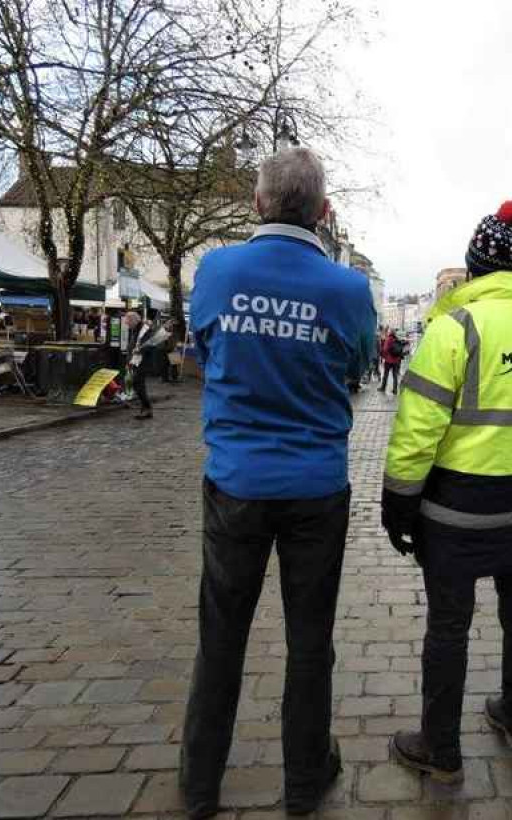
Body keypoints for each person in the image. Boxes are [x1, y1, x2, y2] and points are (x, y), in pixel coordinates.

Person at [182, 147, 376, 819]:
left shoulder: (214, 271)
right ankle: (303, 782)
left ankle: (200, 785)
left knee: (221, 637)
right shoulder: (348, 289)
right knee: (309, 639)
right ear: (323, 212)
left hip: (235, 480)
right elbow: (358, 363)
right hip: (315, 487)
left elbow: (203, 352)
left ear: (257, 204)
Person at [381, 201, 512, 782]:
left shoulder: (454, 330)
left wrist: (399, 499)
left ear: (474, 266)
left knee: (449, 622)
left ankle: (440, 749)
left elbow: (418, 428)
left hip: (454, 508)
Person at [125, 309, 155, 420]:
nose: (127, 325)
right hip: (136, 361)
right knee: (136, 384)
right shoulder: (136, 329)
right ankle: (146, 408)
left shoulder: (145, 329)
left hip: (143, 362)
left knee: (138, 383)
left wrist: (138, 350)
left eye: (128, 323)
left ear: (134, 320)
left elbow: (149, 345)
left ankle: (147, 409)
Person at [378, 328, 405, 394]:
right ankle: (395, 390)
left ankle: (383, 388)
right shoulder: (397, 339)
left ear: (390, 332)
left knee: (386, 374)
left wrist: (384, 356)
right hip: (396, 361)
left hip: (388, 360)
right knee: (395, 375)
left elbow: (385, 349)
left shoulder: (389, 339)